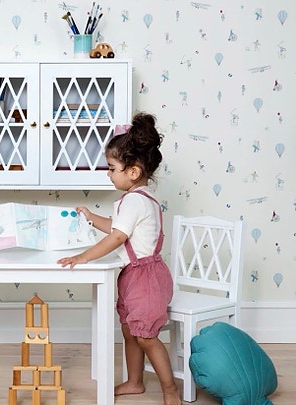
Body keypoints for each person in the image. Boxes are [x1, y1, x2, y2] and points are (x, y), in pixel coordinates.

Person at [57, 113, 181, 405]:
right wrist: (91, 217)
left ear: (133, 172)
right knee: (129, 330)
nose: (108, 174)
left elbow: (117, 237)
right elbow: (117, 226)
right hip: (134, 276)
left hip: (146, 280)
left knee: (146, 336)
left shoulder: (136, 201)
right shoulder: (137, 199)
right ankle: (135, 382)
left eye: (112, 168)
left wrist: (83, 256)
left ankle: (170, 389)